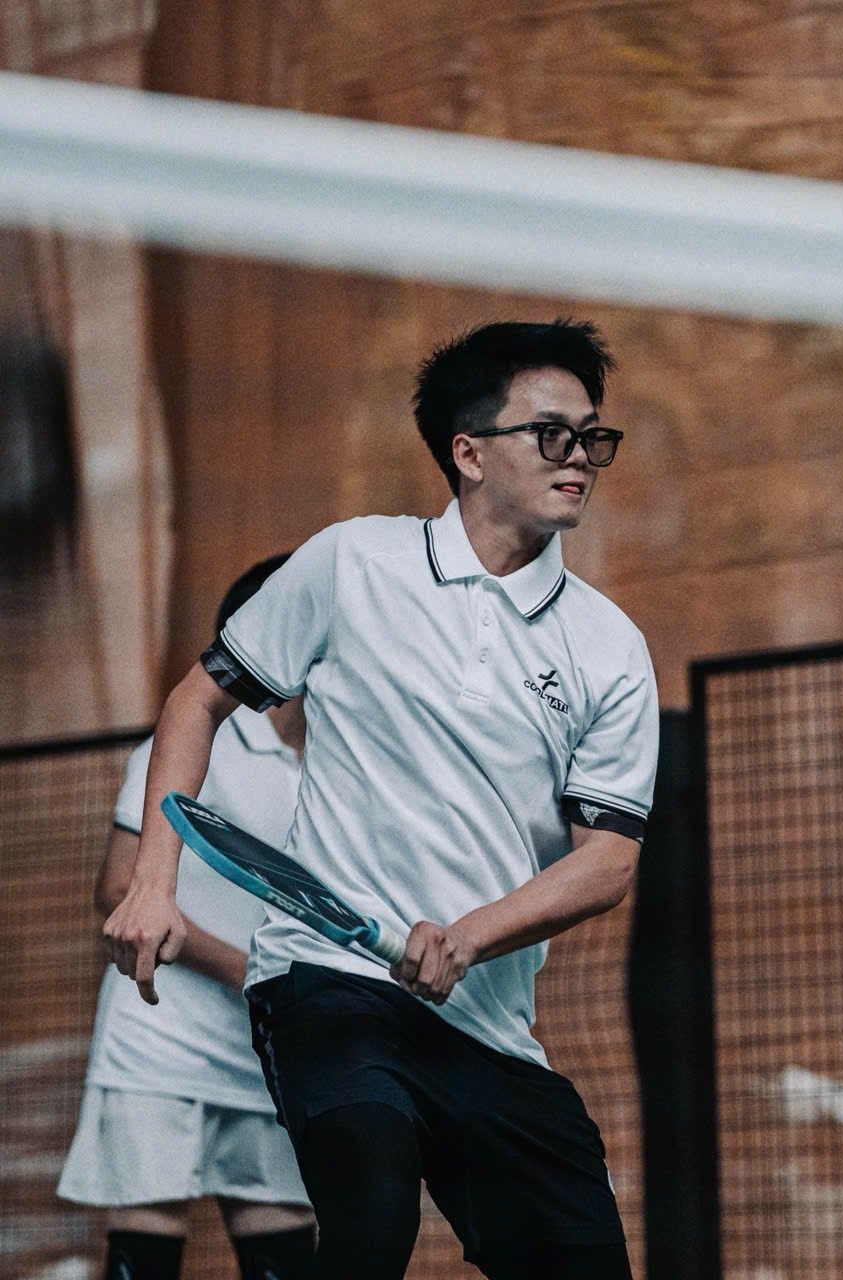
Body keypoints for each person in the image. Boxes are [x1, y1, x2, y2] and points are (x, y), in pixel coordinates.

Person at [105, 320, 660, 1279]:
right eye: (550, 434)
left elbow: (607, 861)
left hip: (484, 1022)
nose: (579, 457)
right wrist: (156, 884)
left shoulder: (610, 647)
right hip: (327, 982)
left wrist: (468, 938)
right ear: (469, 453)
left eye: (591, 437)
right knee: (370, 1219)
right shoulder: (352, 563)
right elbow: (197, 701)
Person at [60, 558, 315, 1280]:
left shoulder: (337, 768)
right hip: (158, 1043)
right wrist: (244, 968)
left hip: (265, 1052)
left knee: (285, 1255)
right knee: (145, 1252)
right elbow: (119, 886)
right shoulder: (189, 744)